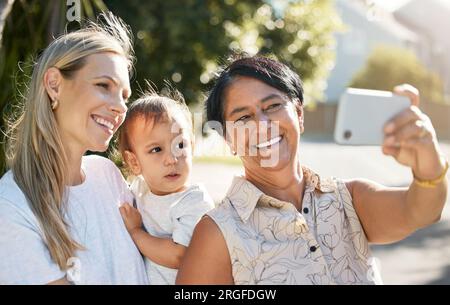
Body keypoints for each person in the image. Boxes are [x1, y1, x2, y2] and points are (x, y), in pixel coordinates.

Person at [176, 55, 448, 285]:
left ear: (300, 115)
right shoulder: (217, 233)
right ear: (228, 140)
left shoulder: (349, 199)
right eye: (244, 117)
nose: (262, 124)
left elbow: (422, 210)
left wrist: (428, 164)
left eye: (272, 106)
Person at [0, 13, 148, 284]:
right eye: (104, 85)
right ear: (54, 85)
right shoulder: (10, 207)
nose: (120, 107)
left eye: (124, 96)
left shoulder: (109, 176)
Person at [117, 90, 214, 285]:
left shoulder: (194, 201)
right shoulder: (139, 190)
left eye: (180, 145)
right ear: (134, 161)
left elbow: (179, 255)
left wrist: (136, 232)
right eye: (156, 149)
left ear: (192, 147)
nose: (171, 159)